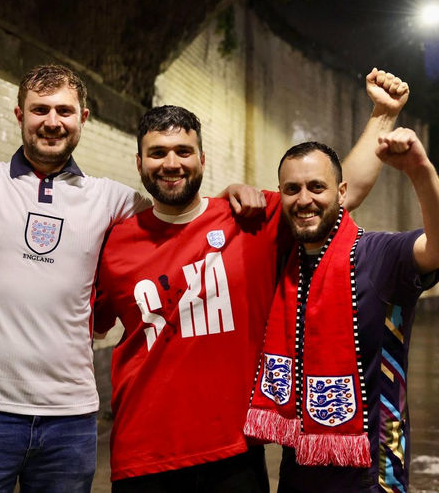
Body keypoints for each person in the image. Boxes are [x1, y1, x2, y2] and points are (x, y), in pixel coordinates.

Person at [93, 68, 409, 492]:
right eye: (158, 153)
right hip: (143, 455)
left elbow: (340, 195)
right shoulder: (115, 242)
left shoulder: (252, 219)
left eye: (183, 151)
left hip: (233, 453)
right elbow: (86, 325)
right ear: (139, 162)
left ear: (202, 160)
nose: (171, 163)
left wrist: (383, 116)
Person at [0, 64, 153, 492]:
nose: (52, 122)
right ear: (19, 115)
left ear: (83, 118)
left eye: (64, 111)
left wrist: (228, 198)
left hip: (70, 421)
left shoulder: (112, 199)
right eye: (40, 109)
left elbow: (183, 218)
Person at [244, 129, 439, 492]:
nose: (304, 199)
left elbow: (435, 249)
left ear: (342, 193)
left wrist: (420, 171)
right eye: (292, 189)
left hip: (372, 474)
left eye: (317, 187)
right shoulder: (282, 263)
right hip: (298, 468)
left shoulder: (378, 256)